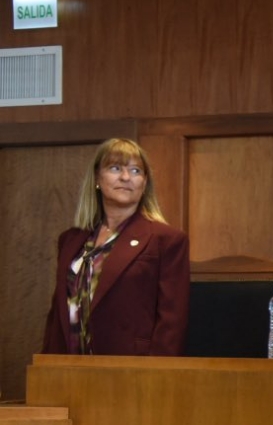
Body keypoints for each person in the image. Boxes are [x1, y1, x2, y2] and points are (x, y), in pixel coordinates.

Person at [41, 138, 190, 356]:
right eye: (115, 168)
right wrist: (47, 364)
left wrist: (156, 371)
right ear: (97, 178)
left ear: (144, 183)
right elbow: (58, 313)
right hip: (67, 365)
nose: (126, 177)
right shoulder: (71, 240)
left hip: (129, 367)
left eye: (136, 170)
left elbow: (172, 322)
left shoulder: (166, 240)